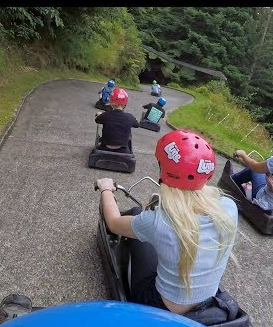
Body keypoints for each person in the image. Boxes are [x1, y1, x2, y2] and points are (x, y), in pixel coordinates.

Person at [95, 129, 238, 315]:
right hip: (206, 302)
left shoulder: (158, 221)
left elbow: (113, 223)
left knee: (137, 215)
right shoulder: (228, 208)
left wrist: (106, 189)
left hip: (160, 305)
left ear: (164, 170)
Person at [94, 88, 139, 154]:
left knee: (96, 150)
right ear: (125, 104)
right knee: (130, 151)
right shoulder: (130, 117)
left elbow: (97, 120)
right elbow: (137, 125)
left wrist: (99, 114)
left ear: (111, 102)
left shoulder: (106, 115)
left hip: (105, 147)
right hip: (123, 150)